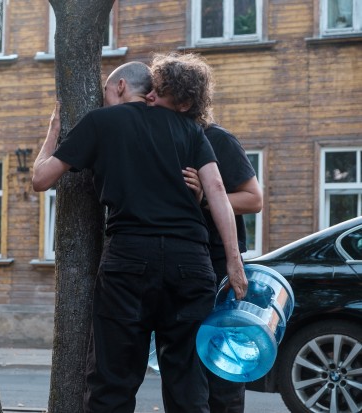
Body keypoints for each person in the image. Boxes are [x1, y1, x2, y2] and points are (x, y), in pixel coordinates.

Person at [32, 60, 247, 413]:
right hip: (191, 264)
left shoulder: (100, 122)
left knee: (112, 380)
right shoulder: (191, 130)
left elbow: (41, 179)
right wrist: (234, 264)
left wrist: (54, 131)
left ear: (118, 87)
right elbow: (219, 191)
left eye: (104, 92)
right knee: (188, 382)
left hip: (129, 260)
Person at [150, 53, 263, 413]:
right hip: (179, 268)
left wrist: (206, 198)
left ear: (185, 102)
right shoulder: (159, 141)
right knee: (182, 369)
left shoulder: (217, 139)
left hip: (217, 270)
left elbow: (253, 199)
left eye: (160, 91)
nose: (150, 97)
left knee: (220, 372)